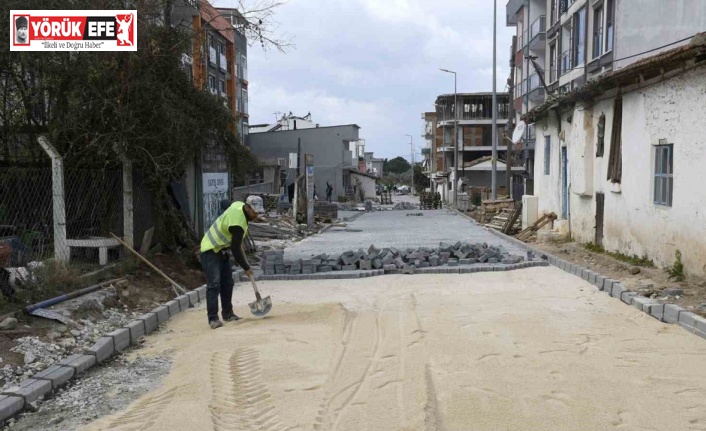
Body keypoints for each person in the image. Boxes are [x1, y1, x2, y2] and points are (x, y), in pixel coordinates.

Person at [199, 199, 260, 329]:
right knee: (214, 284)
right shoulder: (238, 224)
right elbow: (236, 249)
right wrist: (246, 268)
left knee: (227, 283)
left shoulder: (239, 205)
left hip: (221, 250)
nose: (257, 216)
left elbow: (226, 203)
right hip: (210, 249)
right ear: (248, 208)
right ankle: (213, 319)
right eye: (255, 212)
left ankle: (228, 314)